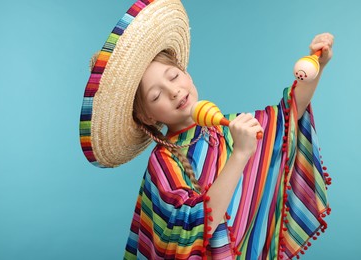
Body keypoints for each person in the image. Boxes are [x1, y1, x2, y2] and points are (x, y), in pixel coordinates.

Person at [79, 0, 333, 259]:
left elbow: (287, 116)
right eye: (156, 96)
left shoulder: (225, 128)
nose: (174, 91)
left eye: (174, 76)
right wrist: (240, 154)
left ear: (185, 72)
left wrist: (318, 66)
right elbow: (196, 228)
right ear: (146, 116)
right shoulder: (163, 163)